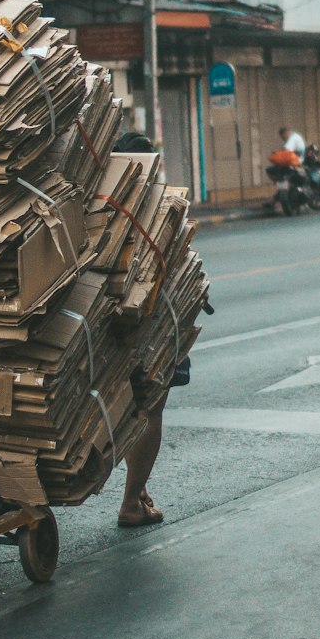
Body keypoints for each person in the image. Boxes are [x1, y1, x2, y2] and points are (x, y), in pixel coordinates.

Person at [111, 129, 191, 528]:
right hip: (152, 325)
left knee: (132, 409)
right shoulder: (155, 211)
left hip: (112, 325)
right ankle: (130, 501)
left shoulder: (104, 205)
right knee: (150, 409)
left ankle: (136, 489)